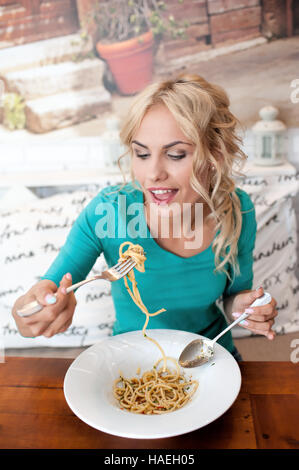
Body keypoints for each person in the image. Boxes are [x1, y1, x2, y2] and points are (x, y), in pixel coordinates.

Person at [12, 74, 278, 361]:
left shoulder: (238, 211)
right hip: (131, 362)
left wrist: (249, 307)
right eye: (141, 153)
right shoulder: (109, 212)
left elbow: (233, 300)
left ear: (215, 156)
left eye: (175, 154)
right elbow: (49, 288)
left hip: (207, 357)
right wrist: (34, 310)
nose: (153, 174)